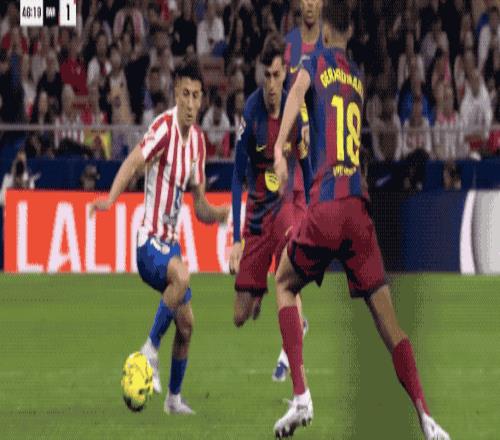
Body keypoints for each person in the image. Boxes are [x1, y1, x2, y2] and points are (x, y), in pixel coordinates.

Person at [271, 2, 451, 439]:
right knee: (390, 325)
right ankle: (427, 419)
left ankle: (301, 395)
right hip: (358, 209)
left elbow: (296, 94)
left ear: (324, 31)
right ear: (350, 33)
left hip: (326, 206)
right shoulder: (355, 77)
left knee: (284, 282)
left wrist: (279, 146)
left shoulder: (313, 62)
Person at [90, 57, 229, 415]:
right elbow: (134, 162)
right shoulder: (164, 128)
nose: (191, 103)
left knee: (187, 325)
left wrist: (222, 214)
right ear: (175, 94)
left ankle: (173, 400)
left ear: (201, 99)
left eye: (196, 95)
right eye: (185, 94)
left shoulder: (198, 143)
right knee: (182, 275)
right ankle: (149, 351)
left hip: (170, 243)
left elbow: (199, 207)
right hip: (148, 243)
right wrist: (111, 199)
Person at [229, 32, 311, 360]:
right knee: (240, 315)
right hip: (258, 212)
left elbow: (307, 163)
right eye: (267, 76)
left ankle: (295, 340)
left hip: (286, 205)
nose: (272, 84)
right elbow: (237, 177)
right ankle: (258, 293)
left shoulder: (295, 111)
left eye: (277, 75)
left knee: (287, 274)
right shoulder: (251, 113)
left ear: (285, 73)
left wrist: (311, 210)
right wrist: (237, 239)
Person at [270, 0, 324, 383]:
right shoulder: (287, 45)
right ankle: (297, 327)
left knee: (289, 261)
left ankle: (295, 370)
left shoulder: (329, 48)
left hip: (310, 167)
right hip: (284, 164)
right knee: (282, 260)